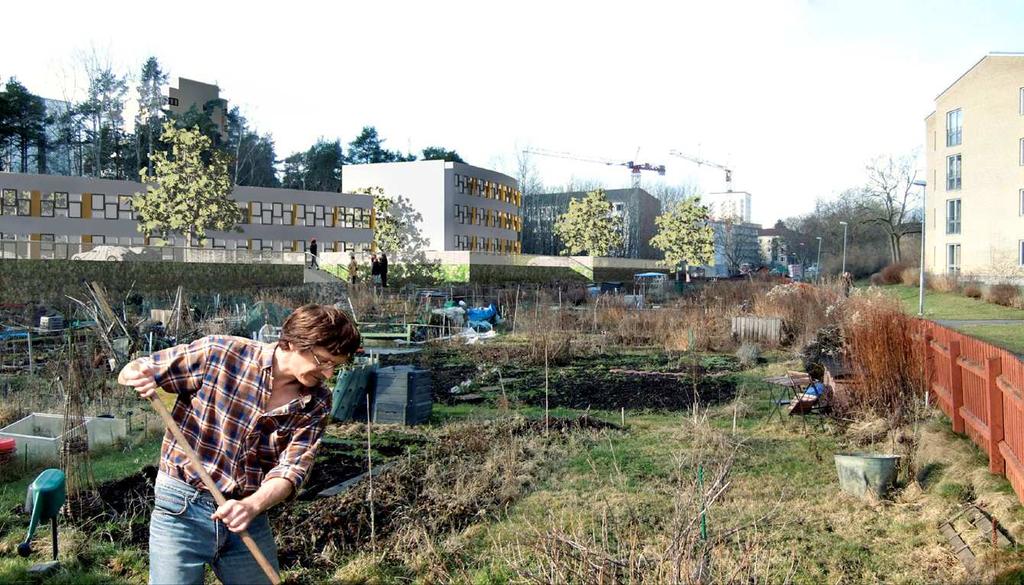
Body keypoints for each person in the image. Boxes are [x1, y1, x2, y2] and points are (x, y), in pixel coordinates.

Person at [118, 304, 360, 585]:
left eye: (336, 366)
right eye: (324, 361)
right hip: (182, 508)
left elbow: (293, 468)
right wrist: (136, 373)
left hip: (247, 515)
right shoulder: (220, 354)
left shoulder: (316, 401)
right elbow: (138, 368)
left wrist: (251, 506)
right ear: (294, 342)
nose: (329, 374)